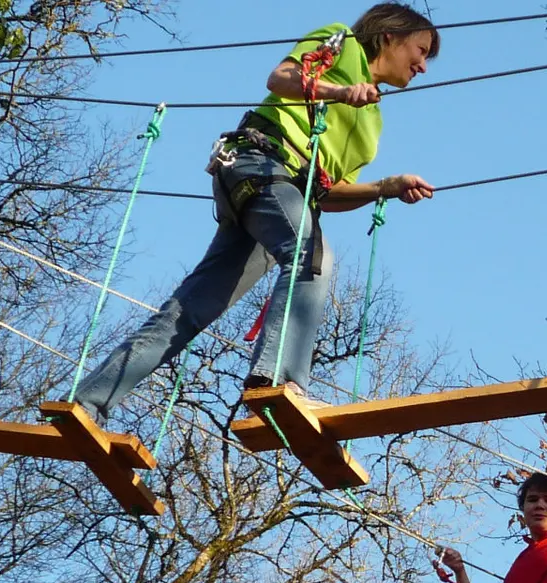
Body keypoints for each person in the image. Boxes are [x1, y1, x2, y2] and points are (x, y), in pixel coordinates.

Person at [75, 4, 440, 426]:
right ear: (390, 35)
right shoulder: (343, 42)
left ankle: (86, 403)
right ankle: (279, 382)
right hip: (258, 163)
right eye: (421, 49)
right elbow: (280, 78)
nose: (423, 66)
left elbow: (327, 193)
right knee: (310, 255)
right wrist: (338, 92)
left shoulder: (371, 125)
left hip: (285, 198)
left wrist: (384, 187)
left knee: (191, 309)